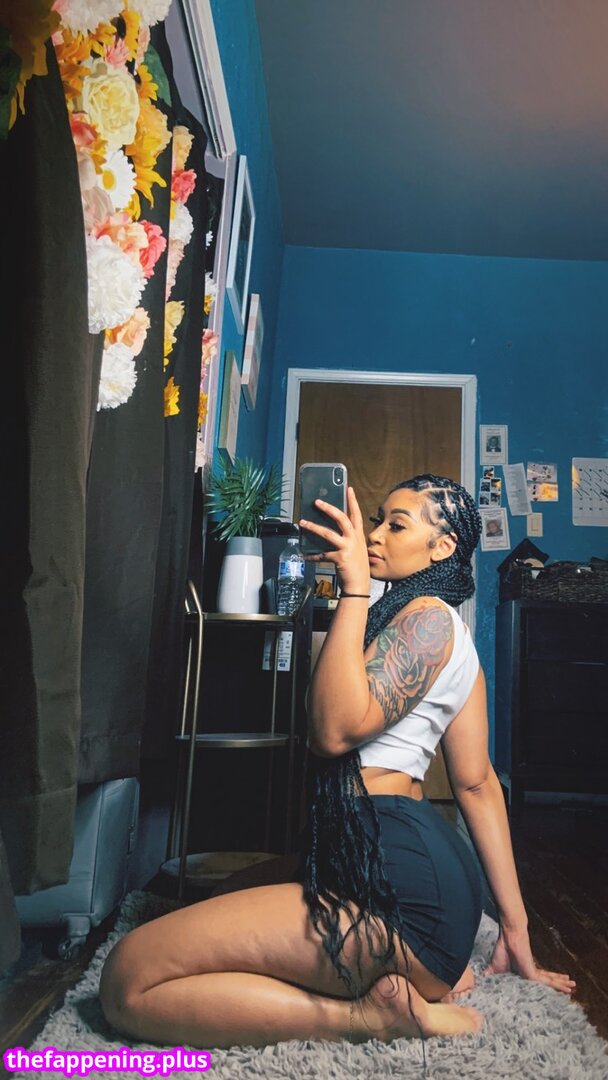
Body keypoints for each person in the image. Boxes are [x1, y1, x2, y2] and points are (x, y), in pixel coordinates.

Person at [100, 475, 575, 1051]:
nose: (373, 535)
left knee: (129, 978)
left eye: (396, 525)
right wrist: (514, 929)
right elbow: (476, 785)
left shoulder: (427, 620)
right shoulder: (427, 625)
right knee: (212, 903)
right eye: (377, 520)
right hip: (377, 859)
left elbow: (333, 733)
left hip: (400, 884)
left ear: (442, 547)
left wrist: (353, 592)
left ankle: (372, 1015)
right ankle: (427, 969)